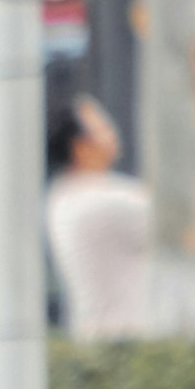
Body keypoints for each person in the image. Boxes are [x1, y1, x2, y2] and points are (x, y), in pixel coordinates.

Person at [45, 93, 157, 341]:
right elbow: (180, 220)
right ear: (80, 147)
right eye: (103, 127)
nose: (112, 133)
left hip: (93, 338)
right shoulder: (102, 201)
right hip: (125, 346)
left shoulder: (62, 197)